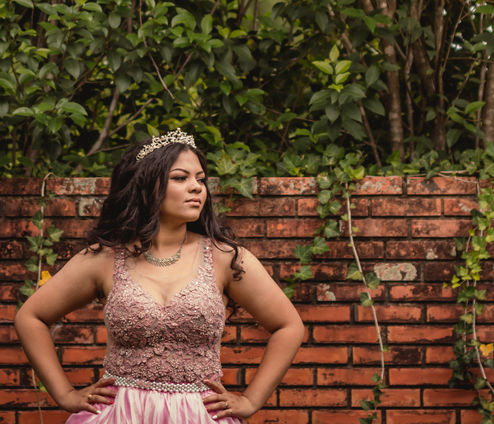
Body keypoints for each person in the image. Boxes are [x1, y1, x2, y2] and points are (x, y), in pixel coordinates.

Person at [15, 129, 304, 422]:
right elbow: (30, 318)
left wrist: (251, 400)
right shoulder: (103, 258)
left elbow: (289, 326)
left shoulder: (225, 258)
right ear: (147, 185)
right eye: (181, 178)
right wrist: (64, 395)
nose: (197, 188)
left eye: (201, 179)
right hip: (121, 414)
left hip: (197, 415)